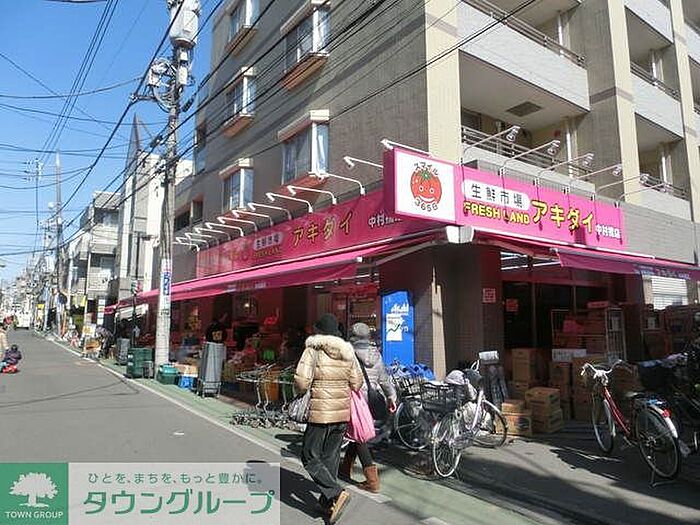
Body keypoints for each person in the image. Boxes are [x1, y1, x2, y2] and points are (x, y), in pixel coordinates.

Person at [295, 313, 363, 523]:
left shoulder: (313, 350)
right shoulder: (348, 352)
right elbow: (357, 383)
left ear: (319, 331)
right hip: (341, 413)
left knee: (309, 455)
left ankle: (336, 493)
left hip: (320, 412)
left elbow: (302, 382)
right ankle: (326, 503)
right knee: (330, 458)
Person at [339, 322, 397, 493]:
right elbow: (384, 379)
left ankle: (372, 480)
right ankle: (345, 468)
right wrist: (391, 397)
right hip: (371, 400)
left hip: (354, 399)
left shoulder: (348, 353)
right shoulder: (376, 354)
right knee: (357, 433)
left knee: (359, 438)